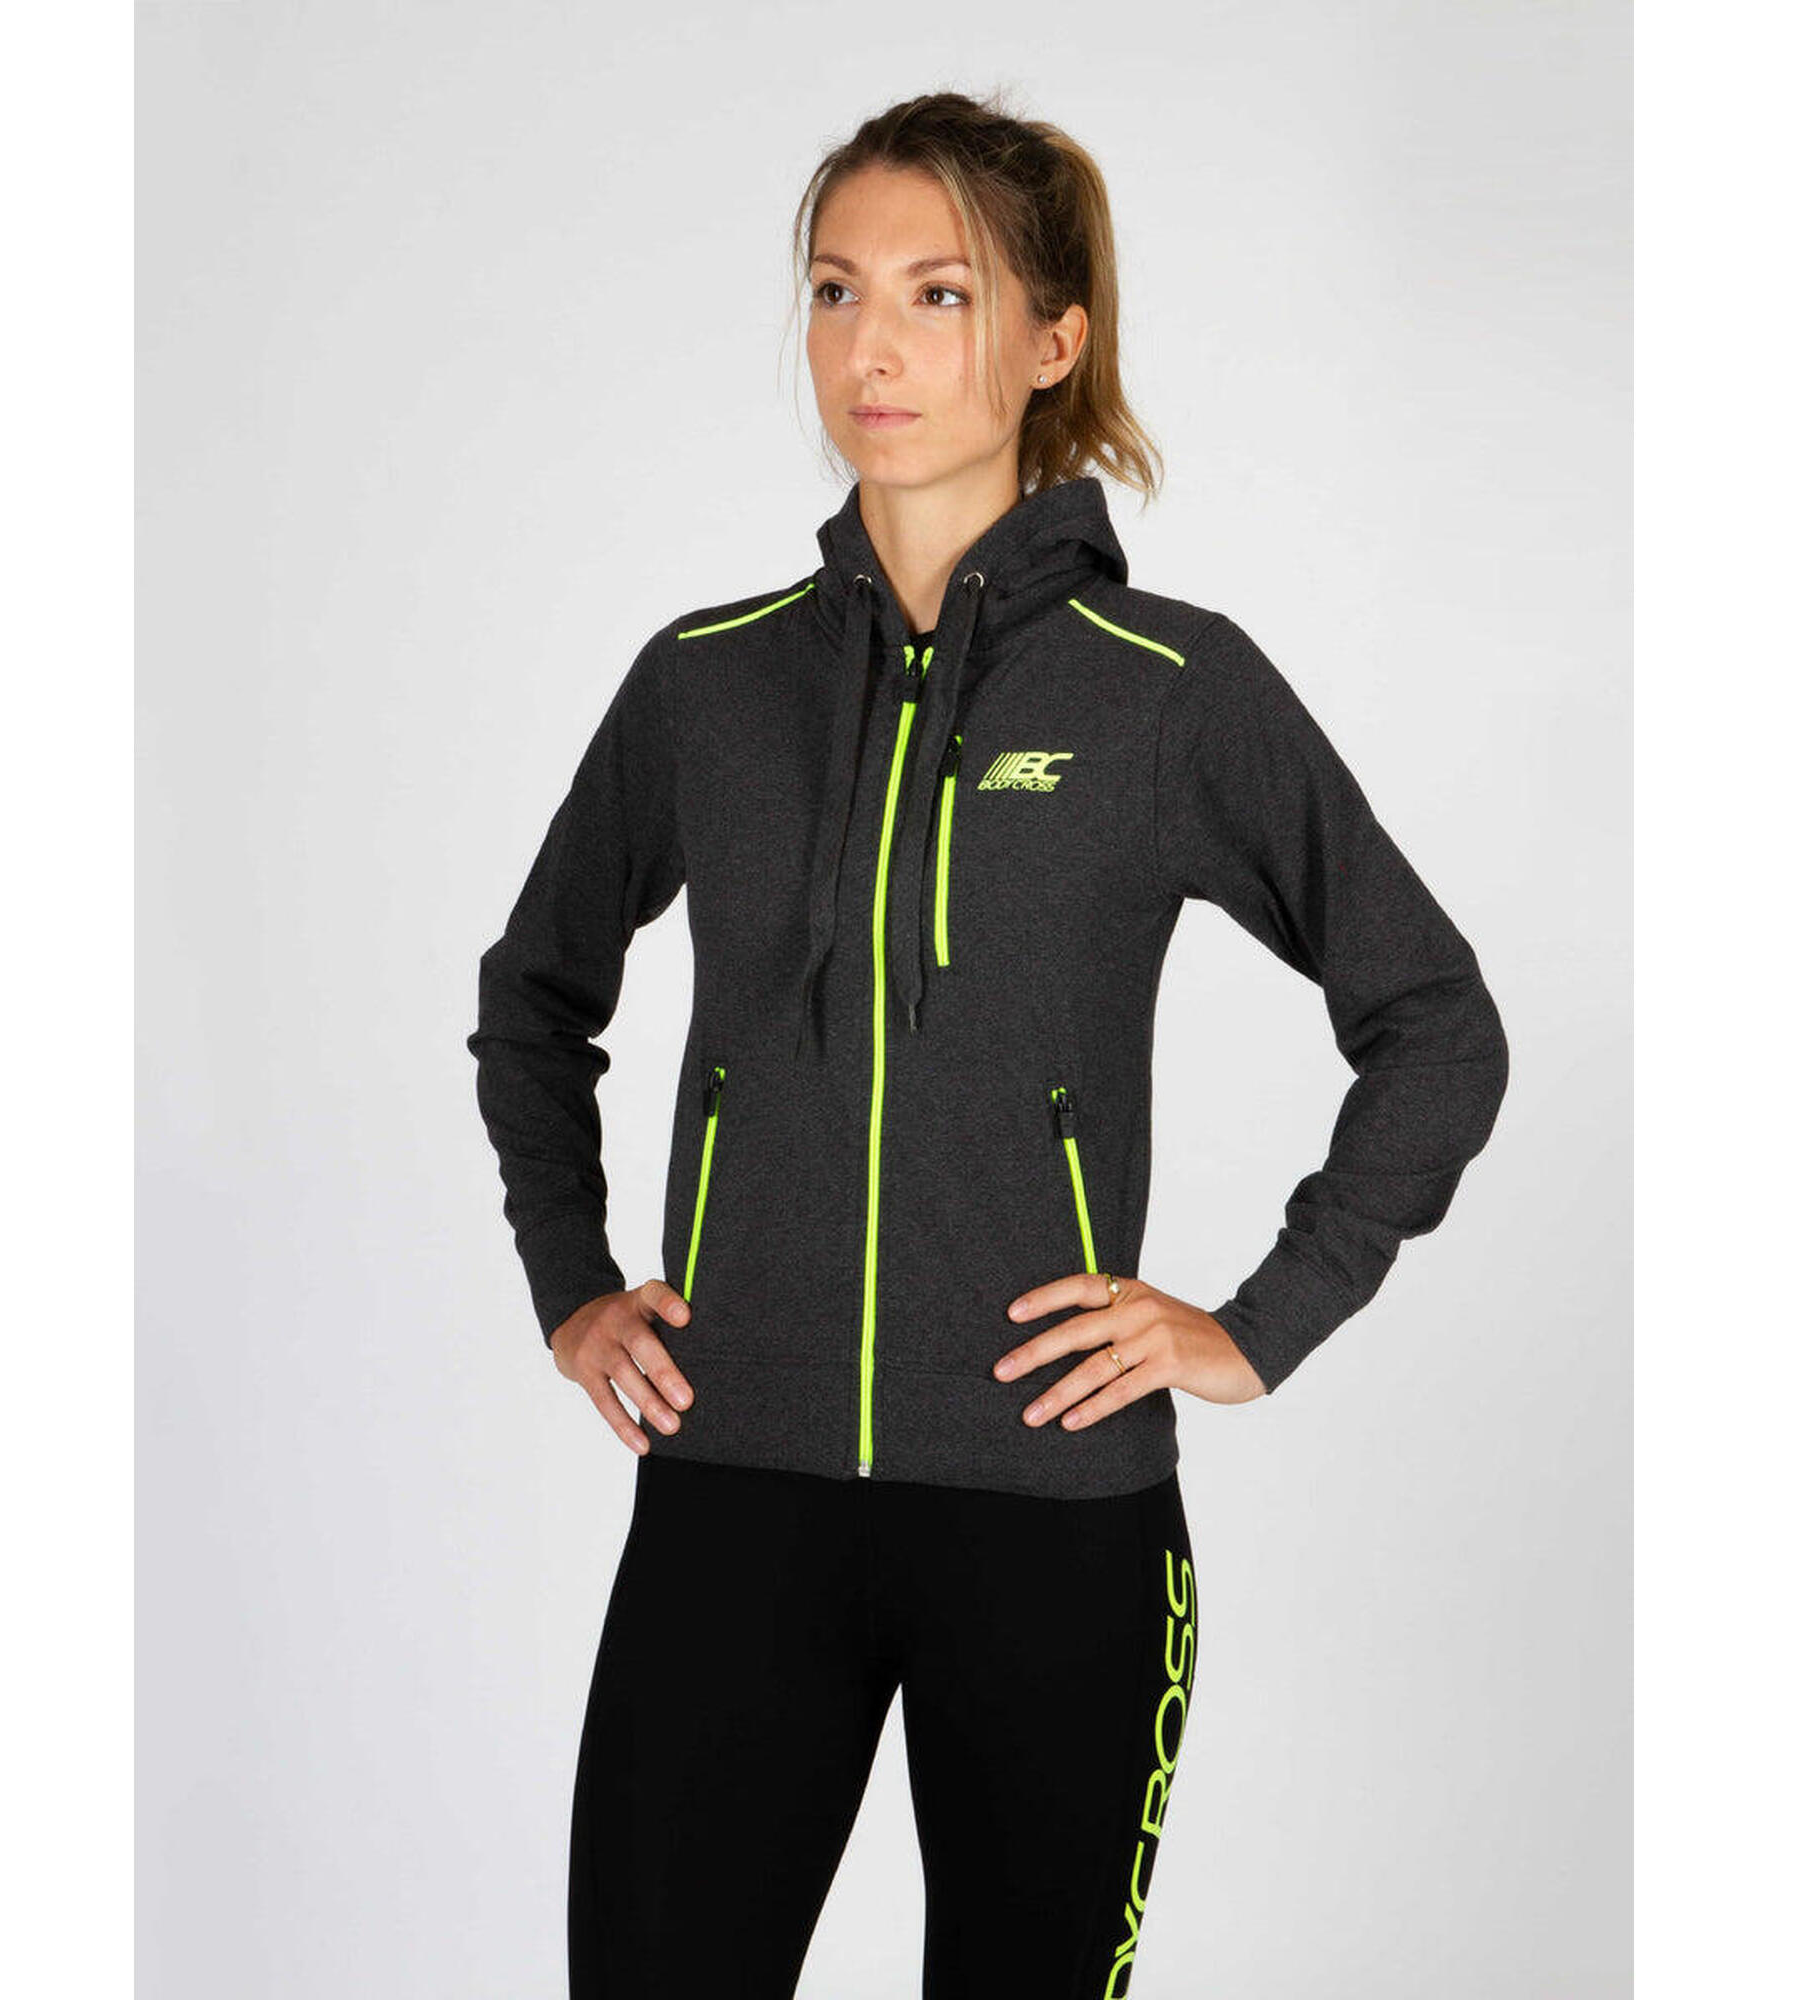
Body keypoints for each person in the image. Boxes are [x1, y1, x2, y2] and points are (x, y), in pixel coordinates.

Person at [466, 90, 1508, 2000]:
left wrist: (1259, 1321)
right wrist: (571, 1283)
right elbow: (533, 997)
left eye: (938, 295)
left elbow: (1436, 1022)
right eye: (836, 290)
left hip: (1051, 1521)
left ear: (1051, 341)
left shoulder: (1169, 691)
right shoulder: (708, 684)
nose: (871, 346)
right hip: (735, 1495)